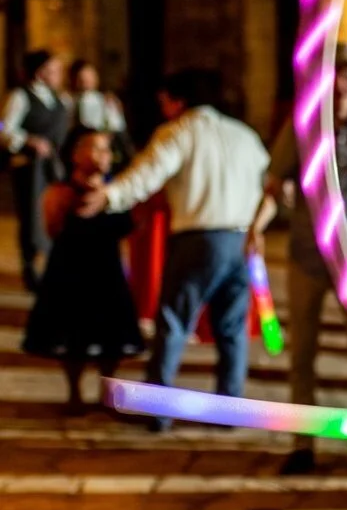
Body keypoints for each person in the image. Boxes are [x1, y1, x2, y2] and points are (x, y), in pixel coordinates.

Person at [76, 68, 270, 430]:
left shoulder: (180, 131)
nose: (162, 108)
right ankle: (228, 411)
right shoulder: (245, 135)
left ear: (178, 101)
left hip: (198, 239)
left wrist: (109, 195)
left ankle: (159, 410)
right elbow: (268, 185)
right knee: (231, 329)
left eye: (164, 100)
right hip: (241, 239)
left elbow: (148, 173)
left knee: (174, 323)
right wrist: (258, 226)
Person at [249, 44, 347, 475]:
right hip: (307, 252)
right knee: (303, 353)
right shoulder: (303, 128)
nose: (342, 82)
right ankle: (303, 444)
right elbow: (274, 182)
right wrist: (257, 225)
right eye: (335, 73)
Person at [23, 127, 143, 412]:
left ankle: (107, 391)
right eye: (95, 147)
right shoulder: (61, 191)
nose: (104, 155)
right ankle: (74, 393)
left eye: (106, 149)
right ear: (76, 154)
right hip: (71, 270)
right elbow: (52, 229)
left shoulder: (117, 192)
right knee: (72, 335)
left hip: (108, 271)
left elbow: (132, 227)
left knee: (111, 340)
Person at [1, 50, 69, 292]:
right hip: (31, 169)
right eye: (54, 70)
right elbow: (4, 129)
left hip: (55, 168)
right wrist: (29, 141)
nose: (59, 75)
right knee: (32, 217)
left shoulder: (60, 98)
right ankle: (31, 269)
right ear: (40, 72)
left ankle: (55, 267)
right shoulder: (20, 96)